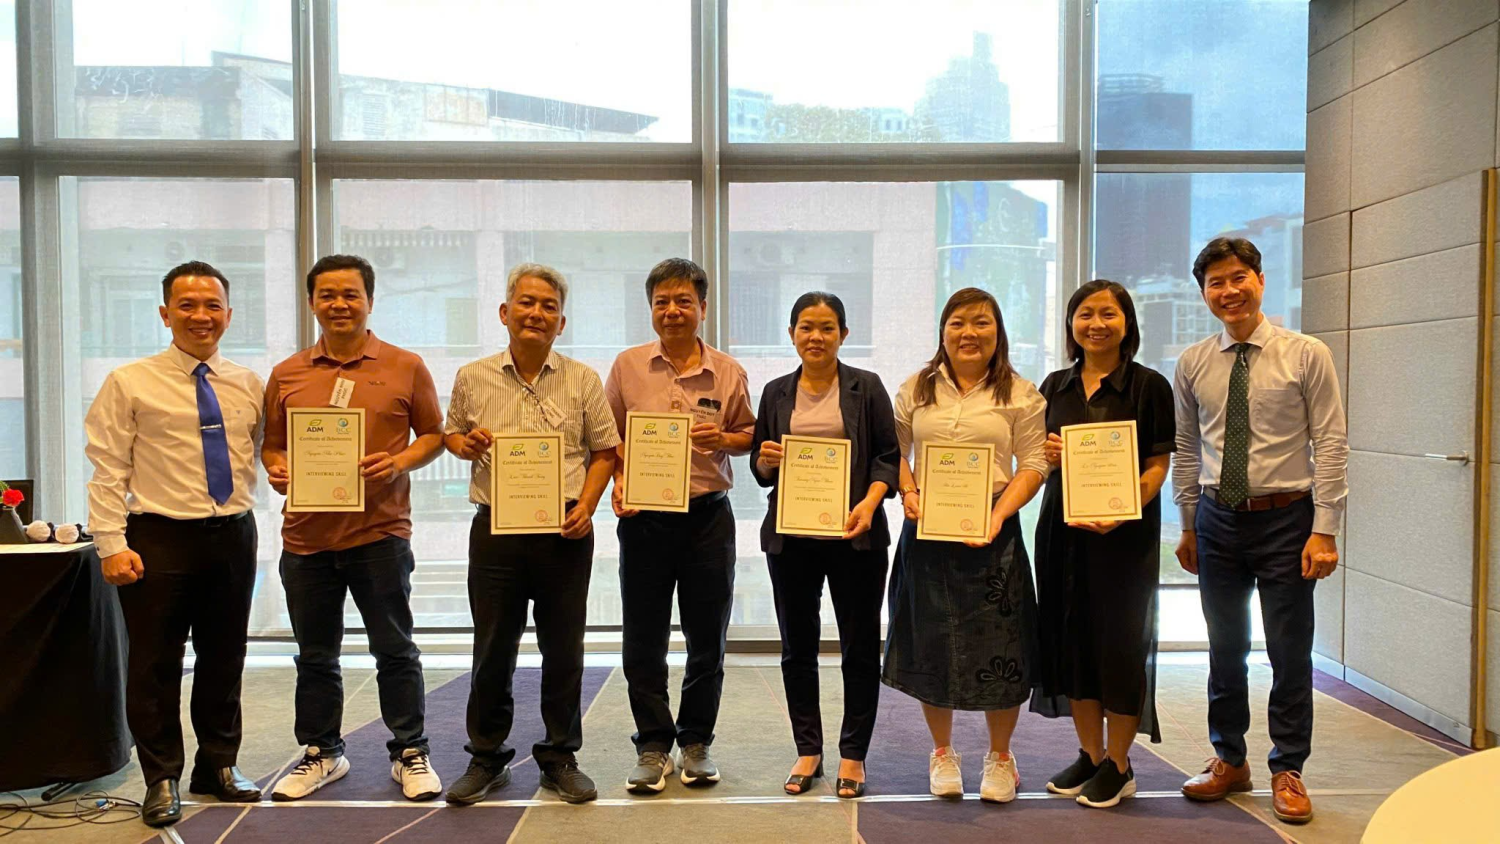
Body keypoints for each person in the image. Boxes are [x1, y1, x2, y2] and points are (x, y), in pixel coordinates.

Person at [1173, 237, 1346, 825]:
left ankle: (1288, 768)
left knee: (1288, 650)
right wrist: (1188, 523)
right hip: (1217, 519)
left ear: (1260, 280)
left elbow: (1331, 443)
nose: (1229, 291)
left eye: (1238, 277)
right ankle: (1229, 758)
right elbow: (1187, 447)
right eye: (1216, 283)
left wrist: (1325, 529)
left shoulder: (1306, 354)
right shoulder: (1194, 362)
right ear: (1204, 293)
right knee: (1224, 647)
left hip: (1287, 520)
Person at [85, 261, 265, 827]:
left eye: (212, 305)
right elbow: (107, 469)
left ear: (229, 315)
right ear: (166, 314)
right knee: (155, 664)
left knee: (225, 658)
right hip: (158, 537)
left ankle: (218, 765)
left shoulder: (248, 383)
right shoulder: (128, 382)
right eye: (187, 305)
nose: (200, 316)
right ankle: (161, 776)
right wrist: (110, 543)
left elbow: (263, 453)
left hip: (232, 534)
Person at [261, 254, 445, 802]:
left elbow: (433, 435)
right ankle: (322, 752)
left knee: (395, 650)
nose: (339, 304)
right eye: (328, 295)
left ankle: (409, 750)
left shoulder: (406, 365)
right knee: (315, 655)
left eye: (350, 294)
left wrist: (398, 463)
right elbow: (272, 444)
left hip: (380, 535)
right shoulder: (287, 373)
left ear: (369, 300)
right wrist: (277, 468)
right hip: (306, 539)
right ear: (311, 302)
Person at [443, 263, 620, 806]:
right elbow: (452, 435)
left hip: (564, 528)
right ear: (505, 312)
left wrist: (587, 506)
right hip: (496, 528)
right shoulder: (472, 376)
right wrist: (464, 445)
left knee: (563, 647)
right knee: (492, 646)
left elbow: (605, 451)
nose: (536, 313)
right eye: (526, 302)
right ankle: (486, 756)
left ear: (561, 322)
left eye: (548, 307)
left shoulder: (583, 379)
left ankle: (560, 756)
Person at [883, 286, 1047, 804]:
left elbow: (1035, 463)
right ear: (943, 331)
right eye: (958, 323)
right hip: (927, 528)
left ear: (998, 332)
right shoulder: (916, 388)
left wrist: (998, 514)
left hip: (993, 528)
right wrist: (908, 492)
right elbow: (894, 451)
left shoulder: (1021, 393)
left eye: (981, 323)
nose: (969, 333)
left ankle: (1001, 757)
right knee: (931, 641)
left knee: (1002, 643)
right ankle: (942, 751)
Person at [605, 257, 756, 794]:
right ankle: (652, 745)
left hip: (708, 518)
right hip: (645, 520)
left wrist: (725, 440)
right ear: (651, 308)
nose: (672, 311)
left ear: (703, 308)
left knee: (706, 638)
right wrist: (619, 479)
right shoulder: (627, 367)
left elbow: (750, 434)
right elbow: (608, 438)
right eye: (662, 302)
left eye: (683, 301)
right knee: (642, 638)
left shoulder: (729, 371)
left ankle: (696, 742)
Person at [1029, 280, 1174, 809]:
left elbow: (1158, 465)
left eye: (1108, 314)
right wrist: (1049, 457)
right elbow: (1038, 460)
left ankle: (1119, 763)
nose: (1096, 324)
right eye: (1085, 314)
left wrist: (1123, 509)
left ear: (1127, 323)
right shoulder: (1054, 386)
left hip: (1124, 539)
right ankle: (1091, 755)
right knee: (1073, 642)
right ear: (1071, 324)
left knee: (1120, 646)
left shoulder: (1149, 386)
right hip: (1062, 533)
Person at [749, 292, 900, 799]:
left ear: (843, 334)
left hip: (856, 534)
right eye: (806, 327)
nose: (816, 337)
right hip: (792, 538)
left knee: (859, 648)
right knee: (797, 648)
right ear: (792, 333)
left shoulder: (866, 386)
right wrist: (767, 459)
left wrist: (871, 504)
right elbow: (760, 467)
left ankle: (853, 753)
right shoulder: (775, 392)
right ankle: (808, 750)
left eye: (827, 327)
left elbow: (887, 457)